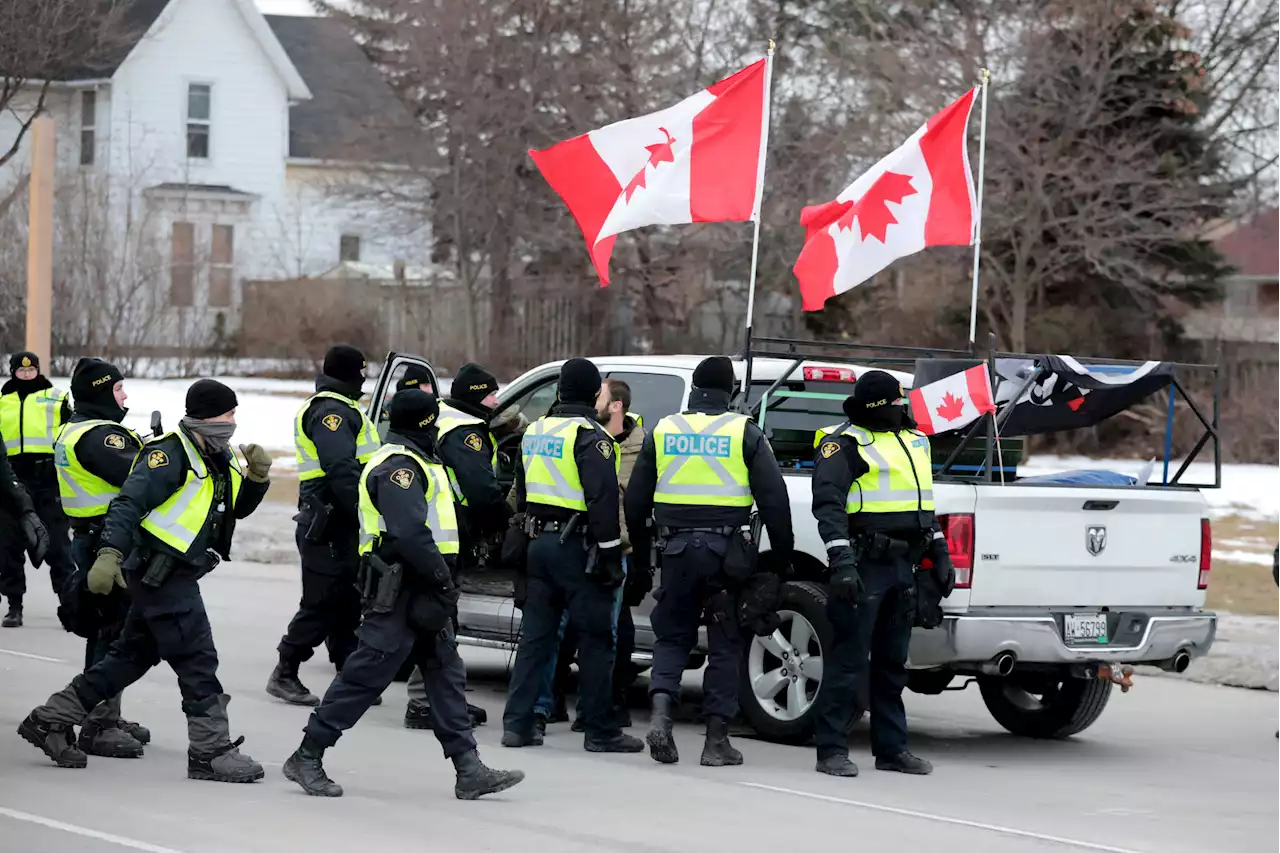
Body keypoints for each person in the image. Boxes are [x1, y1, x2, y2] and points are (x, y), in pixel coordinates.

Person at [17, 379, 272, 782]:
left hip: (179, 571)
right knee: (197, 659)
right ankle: (210, 751)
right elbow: (127, 504)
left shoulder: (216, 456)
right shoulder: (168, 456)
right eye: (228, 414)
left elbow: (232, 508)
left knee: (129, 657)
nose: (233, 422)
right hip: (161, 574)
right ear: (206, 416)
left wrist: (257, 478)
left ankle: (50, 718)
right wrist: (108, 554)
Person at [282, 390, 523, 800]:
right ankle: (307, 755)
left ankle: (469, 769)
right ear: (426, 424)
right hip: (405, 589)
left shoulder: (421, 462)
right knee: (364, 677)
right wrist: (442, 580)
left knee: (446, 675)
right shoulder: (400, 467)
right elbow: (408, 533)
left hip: (423, 588)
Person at [625, 355, 793, 767]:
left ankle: (662, 719)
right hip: (726, 556)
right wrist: (781, 561)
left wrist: (645, 554)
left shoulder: (665, 429)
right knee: (725, 644)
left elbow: (635, 499)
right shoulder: (744, 432)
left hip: (676, 551)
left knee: (673, 636)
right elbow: (775, 500)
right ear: (730, 391)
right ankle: (716, 741)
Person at [808, 370, 954, 778]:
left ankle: (892, 749)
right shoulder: (844, 444)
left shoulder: (916, 441)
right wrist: (842, 563)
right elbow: (829, 506)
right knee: (848, 662)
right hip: (864, 563)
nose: (900, 408)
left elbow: (924, 503)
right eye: (893, 402)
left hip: (903, 565)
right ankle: (831, 750)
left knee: (893, 664)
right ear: (875, 404)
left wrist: (940, 549)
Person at [500, 357, 642, 754]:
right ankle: (601, 731)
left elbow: (523, 495)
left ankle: (518, 725)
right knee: (597, 640)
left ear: (560, 389)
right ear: (594, 393)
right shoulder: (591, 437)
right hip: (578, 548)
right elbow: (601, 502)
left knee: (535, 639)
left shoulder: (535, 431)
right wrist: (612, 555)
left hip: (539, 546)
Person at [268, 345, 380, 706]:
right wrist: (366, 511)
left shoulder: (341, 408)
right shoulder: (332, 411)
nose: (364, 378)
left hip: (337, 519)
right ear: (350, 373)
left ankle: (349, 673)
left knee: (348, 597)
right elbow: (341, 469)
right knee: (323, 600)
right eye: (361, 372)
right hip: (330, 519)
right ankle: (285, 670)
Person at [533, 377, 645, 735]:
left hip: (613, 549)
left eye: (601, 394)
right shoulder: (582, 437)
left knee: (604, 635)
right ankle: (546, 706)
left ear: (616, 406)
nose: (594, 398)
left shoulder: (641, 449)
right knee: (559, 632)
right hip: (574, 545)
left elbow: (629, 502)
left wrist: (624, 553)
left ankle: (597, 711)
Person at [52, 357, 150, 759]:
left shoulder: (76, 428)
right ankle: (99, 722)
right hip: (106, 542)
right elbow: (141, 480)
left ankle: (106, 708)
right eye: (118, 389)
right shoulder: (100, 437)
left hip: (94, 537)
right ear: (100, 392)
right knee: (112, 632)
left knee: (112, 628)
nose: (124, 395)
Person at [402, 364, 507, 731]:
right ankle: (425, 703)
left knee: (437, 618)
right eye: (493, 394)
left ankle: (436, 700)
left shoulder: (444, 421)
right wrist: (504, 519)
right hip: (448, 533)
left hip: (436, 530)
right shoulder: (466, 432)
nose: (498, 400)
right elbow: (479, 490)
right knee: (439, 619)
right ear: (478, 397)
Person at [0, 351, 75, 627]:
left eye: (32, 371)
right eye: (22, 371)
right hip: (11, 481)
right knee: (9, 547)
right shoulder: (2, 401)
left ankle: (69, 603)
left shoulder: (56, 398)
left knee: (57, 544)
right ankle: (14, 605)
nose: (27, 375)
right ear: (13, 372)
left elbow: (73, 433)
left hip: (47, 480)